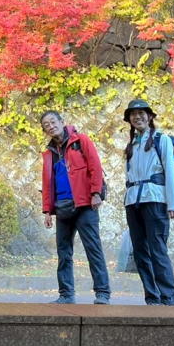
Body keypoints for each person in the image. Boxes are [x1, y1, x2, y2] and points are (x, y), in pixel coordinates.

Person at [40, 110, 111, 305]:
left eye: (53, 122)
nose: (51, 126)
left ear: (62, 122)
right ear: (45, 131)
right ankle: (66, 294)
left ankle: (102, 292)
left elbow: (95, 166)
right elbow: (47, 183)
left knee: (93, 249)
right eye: (46, 125)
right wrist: (47, 210)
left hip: (84, 205)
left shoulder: (81, 141)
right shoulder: (48, 154)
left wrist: (96, 193)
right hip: (61, 207)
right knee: (63, 253)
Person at [123, 98, 174, 306]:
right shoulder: (132, 145)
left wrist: (173, 203)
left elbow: (171, 172)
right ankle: (151, 295)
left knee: (157, 248)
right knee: (140, 250)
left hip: (155, 199)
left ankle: (168, 295)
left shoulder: (161, 140)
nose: (137, 117)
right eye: (133, 114)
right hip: (133, 201)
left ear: (149, 116)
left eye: (141, 113)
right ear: (129, 120)